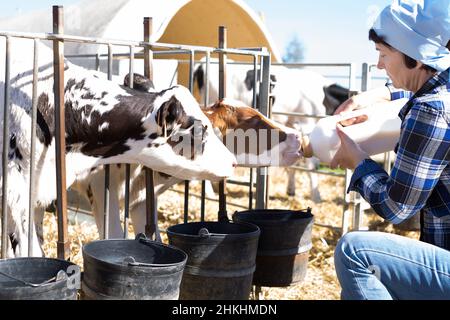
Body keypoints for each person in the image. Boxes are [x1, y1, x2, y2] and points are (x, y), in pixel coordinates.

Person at [331, 0, 450, 300]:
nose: (379, 65)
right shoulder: (439, 87)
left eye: (384, 54)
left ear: (415, 57)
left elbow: (398, 208)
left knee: (354, 252)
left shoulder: (431, 110)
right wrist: (375, 96)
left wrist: (357, 162)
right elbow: (426, 81)